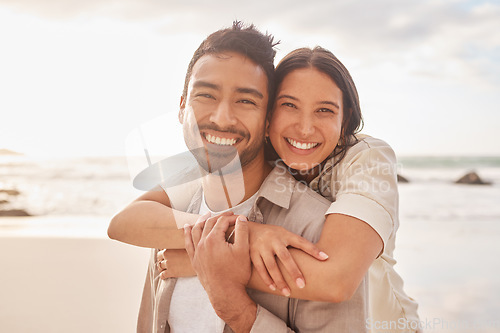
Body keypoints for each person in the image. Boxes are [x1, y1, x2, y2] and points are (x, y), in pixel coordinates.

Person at [109, 22, 369, 332]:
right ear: (182, 107)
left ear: (268, 117)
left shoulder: (313, 231)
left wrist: (236, 306)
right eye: (205, 95)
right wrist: (238, 234)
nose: (222, 118)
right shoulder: (172, 223)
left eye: (246, 101)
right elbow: (120, 224)